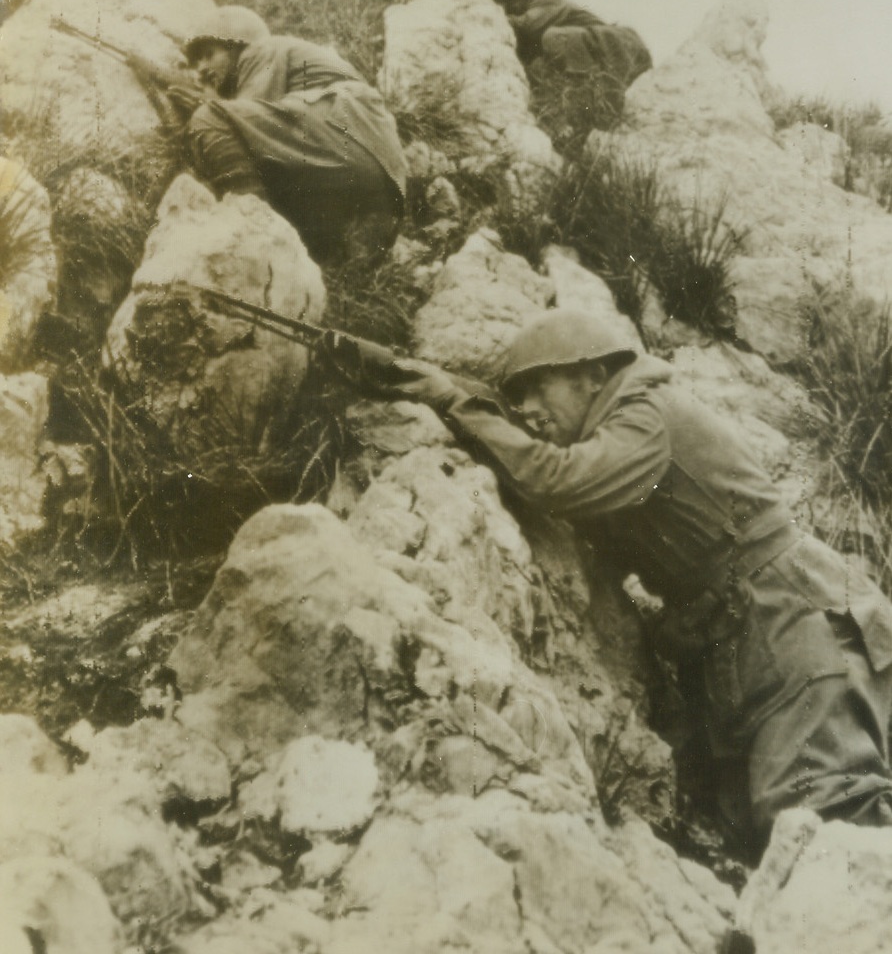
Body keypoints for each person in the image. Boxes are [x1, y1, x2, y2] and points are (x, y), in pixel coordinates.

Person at [352, 308, 892, 847]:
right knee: (759, 834)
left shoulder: (644, 416)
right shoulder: (619, 430)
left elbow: (554, 480)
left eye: (538, 386)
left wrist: (454, 402)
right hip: (751, 634)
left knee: (824, 817)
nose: (527, 409)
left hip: (794, 623)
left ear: (592, 376)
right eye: (515, 398)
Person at [169, 6, 408, 264]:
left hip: (346, 133)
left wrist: (210, 103)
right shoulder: (288, 60)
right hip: (376, 170)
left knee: (210, 117)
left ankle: (250, 233)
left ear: (238, 44)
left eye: (209, 54)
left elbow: (243, 125)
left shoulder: (261, 50)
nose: (202, 69)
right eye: (197, 63)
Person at [478, 0, 652, 123]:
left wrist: (489, 14)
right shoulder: (524, 10)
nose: (506, 10)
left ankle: (583, 91)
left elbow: (530, 25)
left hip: (618, 42)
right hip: (597, 50)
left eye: (502, 4)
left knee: (553, 37)